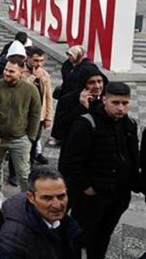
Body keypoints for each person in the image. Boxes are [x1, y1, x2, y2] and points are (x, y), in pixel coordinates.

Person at [59, 82, 140, 259]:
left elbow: (133, 156)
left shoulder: (130, 124)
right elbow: (69, 162)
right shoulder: (87, 123)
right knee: (78, 237)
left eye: (125, 103)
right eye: (116, 103)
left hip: (118, 196)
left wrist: (134, 181)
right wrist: (86, 187)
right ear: (105, 100)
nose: (121, 108)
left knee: (102, 237)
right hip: (92, 198)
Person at [0, 59, 42, 209]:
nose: (6, 73)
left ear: (21, 72)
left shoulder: (31, 90)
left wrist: (30, 137)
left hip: (20, 139)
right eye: (6, 69)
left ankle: (27, 198)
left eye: (11, 71)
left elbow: (35, 114)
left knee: (23, 172)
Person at [0, 167, 83, 259]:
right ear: (31, 197)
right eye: (47, 198)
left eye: (61, 196)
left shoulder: (64, 223)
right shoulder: (14, 238)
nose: (57, 205)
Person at [51, 63, 108, 146]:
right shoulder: (67, 100)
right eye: (91, 82)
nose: (97, 86)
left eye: (100, 81)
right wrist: (82, 107)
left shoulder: (107, 99)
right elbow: (61, 127)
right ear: (83, 84)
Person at [23, 47, 53, 165]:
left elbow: (48, 97)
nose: (39, 64)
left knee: (34, 142)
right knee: (21, 143)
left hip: (38, 116)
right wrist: (33, 77)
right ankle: (15, 172)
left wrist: (48, 117)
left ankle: (30, 166)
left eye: (41, 61)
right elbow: (20, 89)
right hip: (23, 114)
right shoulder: (20, 71)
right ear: (28, 58)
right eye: (36, 60)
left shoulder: (44, 74)